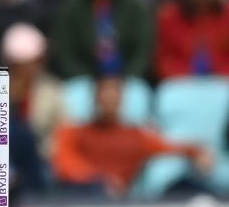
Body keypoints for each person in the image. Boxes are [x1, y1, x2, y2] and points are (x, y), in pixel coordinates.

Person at [52, 77, 212, 197]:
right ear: (95, 99)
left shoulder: (135, 136)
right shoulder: (76, 132)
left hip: (119, 202)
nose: (109, 101)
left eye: (114, 96)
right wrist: (101, 179)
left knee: (188, 188)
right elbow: (65, 164)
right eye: (104, 96)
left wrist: (197, 151)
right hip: (82, 193)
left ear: (121, 100)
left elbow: (167, 146)